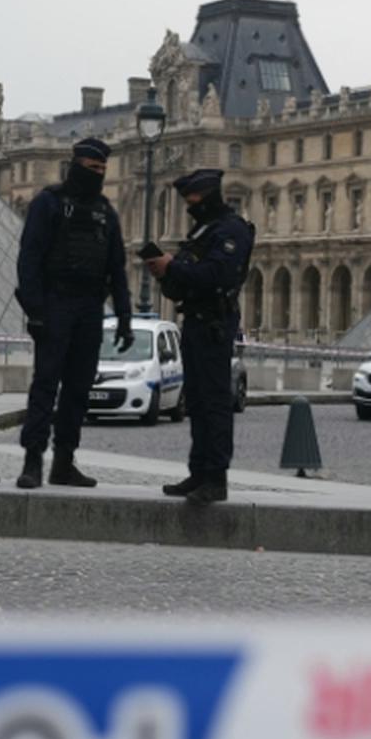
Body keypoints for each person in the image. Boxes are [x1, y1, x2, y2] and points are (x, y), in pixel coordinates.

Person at [14, 137, 133, 489]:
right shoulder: (48, 203)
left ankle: (64, 461)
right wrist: (35, 311)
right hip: (55, 303)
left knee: (79, 389)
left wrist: (125, 317)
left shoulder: (105, 212)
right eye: (91, 167)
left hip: (90, 308)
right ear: (75, 164)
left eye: (101, 169)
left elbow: (117, 268)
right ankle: (33, 460)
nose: (97, 174)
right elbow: (29, 260)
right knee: (45, 385)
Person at [146, 168, 254, 504]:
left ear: (207, 194)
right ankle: (198, 471)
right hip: (194, 320)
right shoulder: (203, 231)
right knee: (196, 400)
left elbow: (216, 274)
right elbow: (186, 279)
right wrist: (165, 274)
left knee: (215, 402)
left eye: (192, 198)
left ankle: (216, 477)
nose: (189, 204)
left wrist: (172, 267)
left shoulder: (231, 230)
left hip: (214, 323)